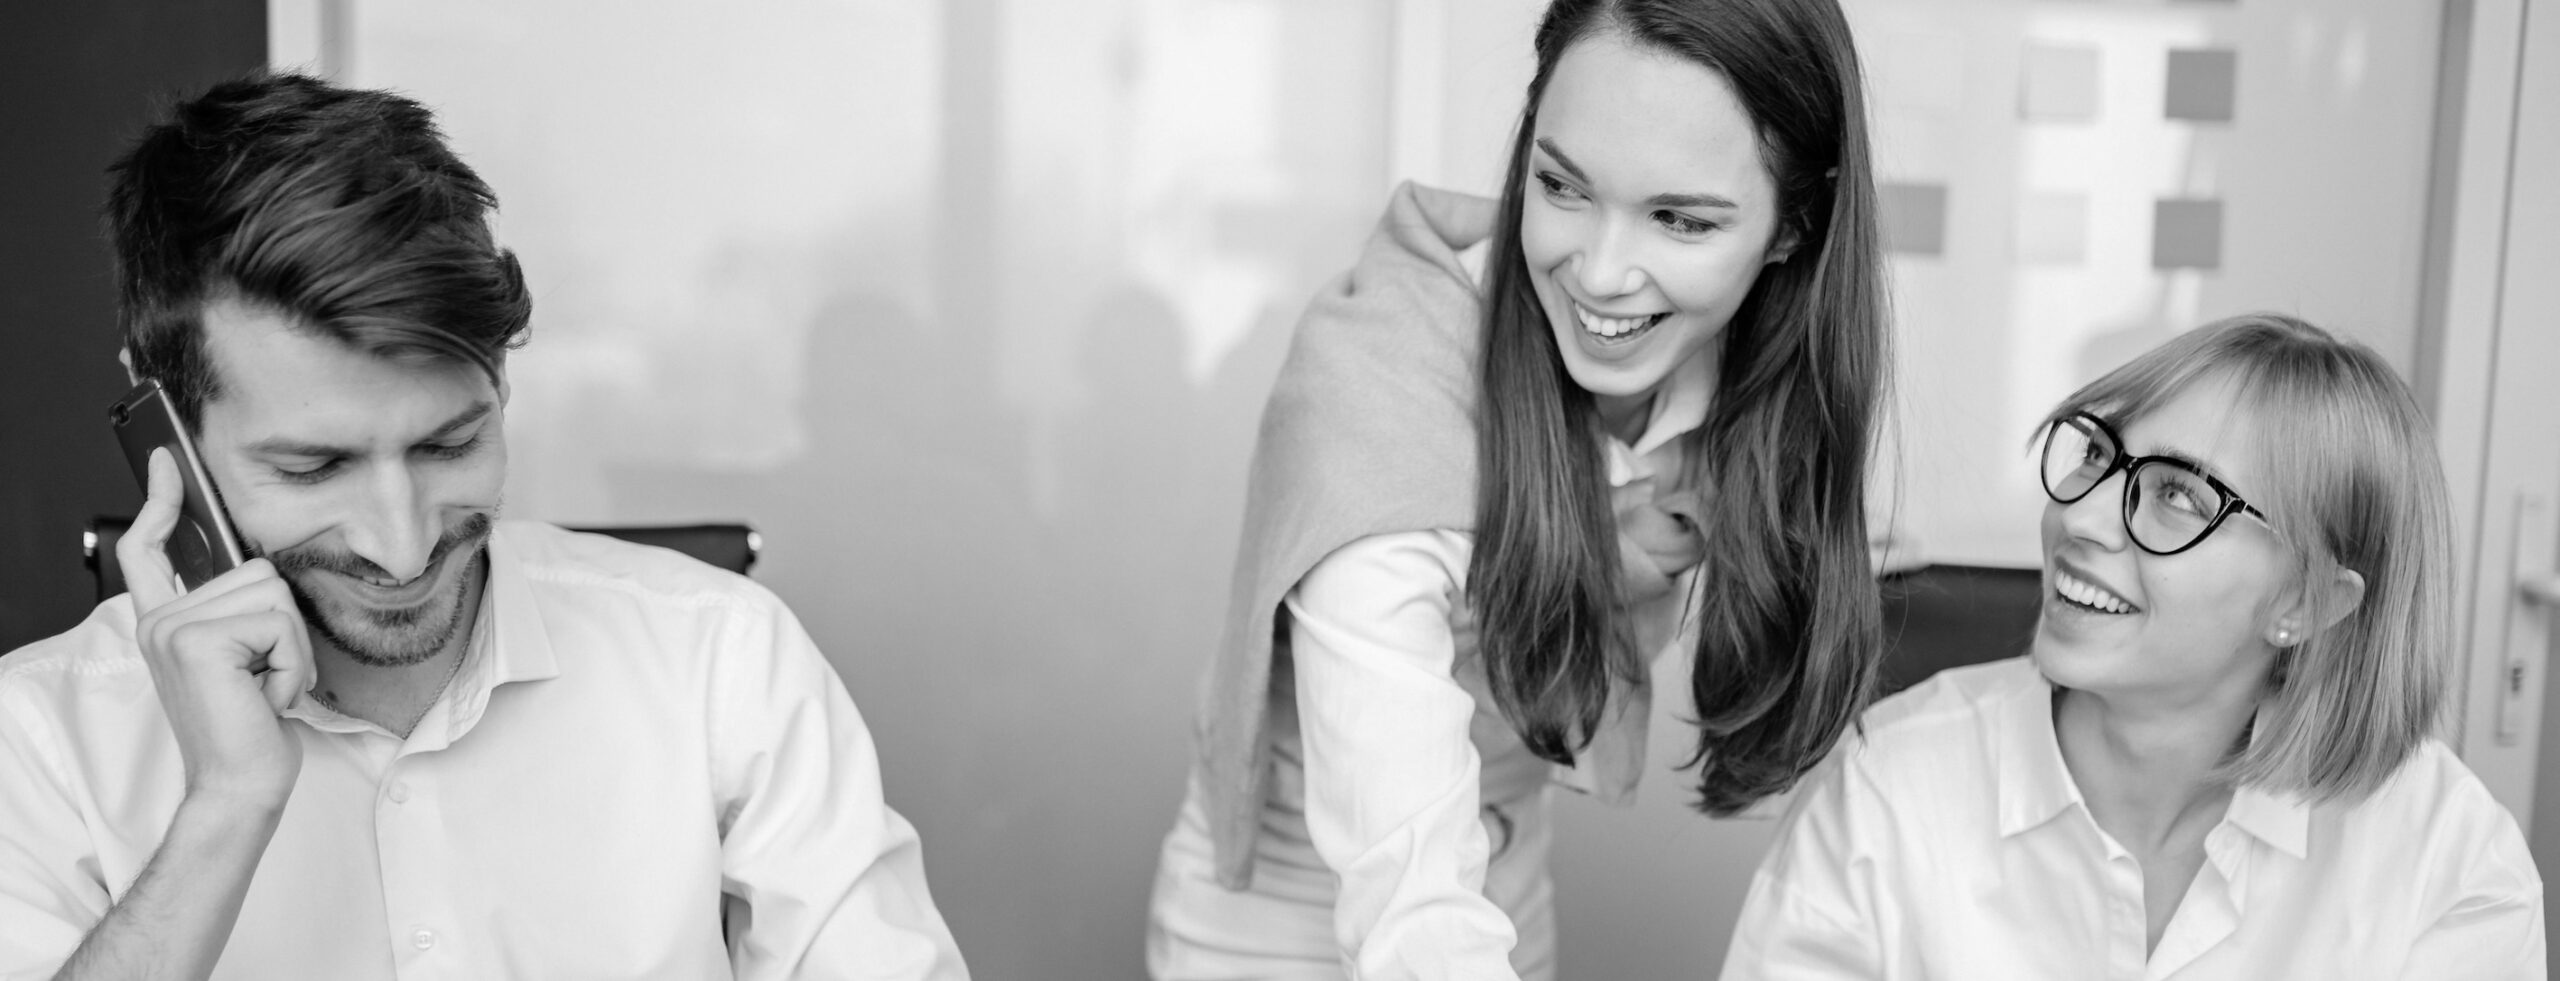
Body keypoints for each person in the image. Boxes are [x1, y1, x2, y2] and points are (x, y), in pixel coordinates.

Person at [0, 73, 969, 980]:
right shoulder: (39, 740)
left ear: (501, 383)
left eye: (448, 447)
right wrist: (222, 808)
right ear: (162, 422)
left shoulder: (718, 658)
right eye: (314, 466)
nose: (401, 543)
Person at [1145, 0, 1889, 976]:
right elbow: (1409, 876)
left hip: (1503, 891)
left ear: (1794, 226)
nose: (1601, 273)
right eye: (1561, 185)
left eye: (1678, 218)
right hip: (1284, 924)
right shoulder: (1378, 383)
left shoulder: (1755, 377)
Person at [1722, 314, 2545, 980]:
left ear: (2307, 599)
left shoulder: (2447, 858)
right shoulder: (1889, 790)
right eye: (2096, 455)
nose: (2078, 518)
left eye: (2179, 494)